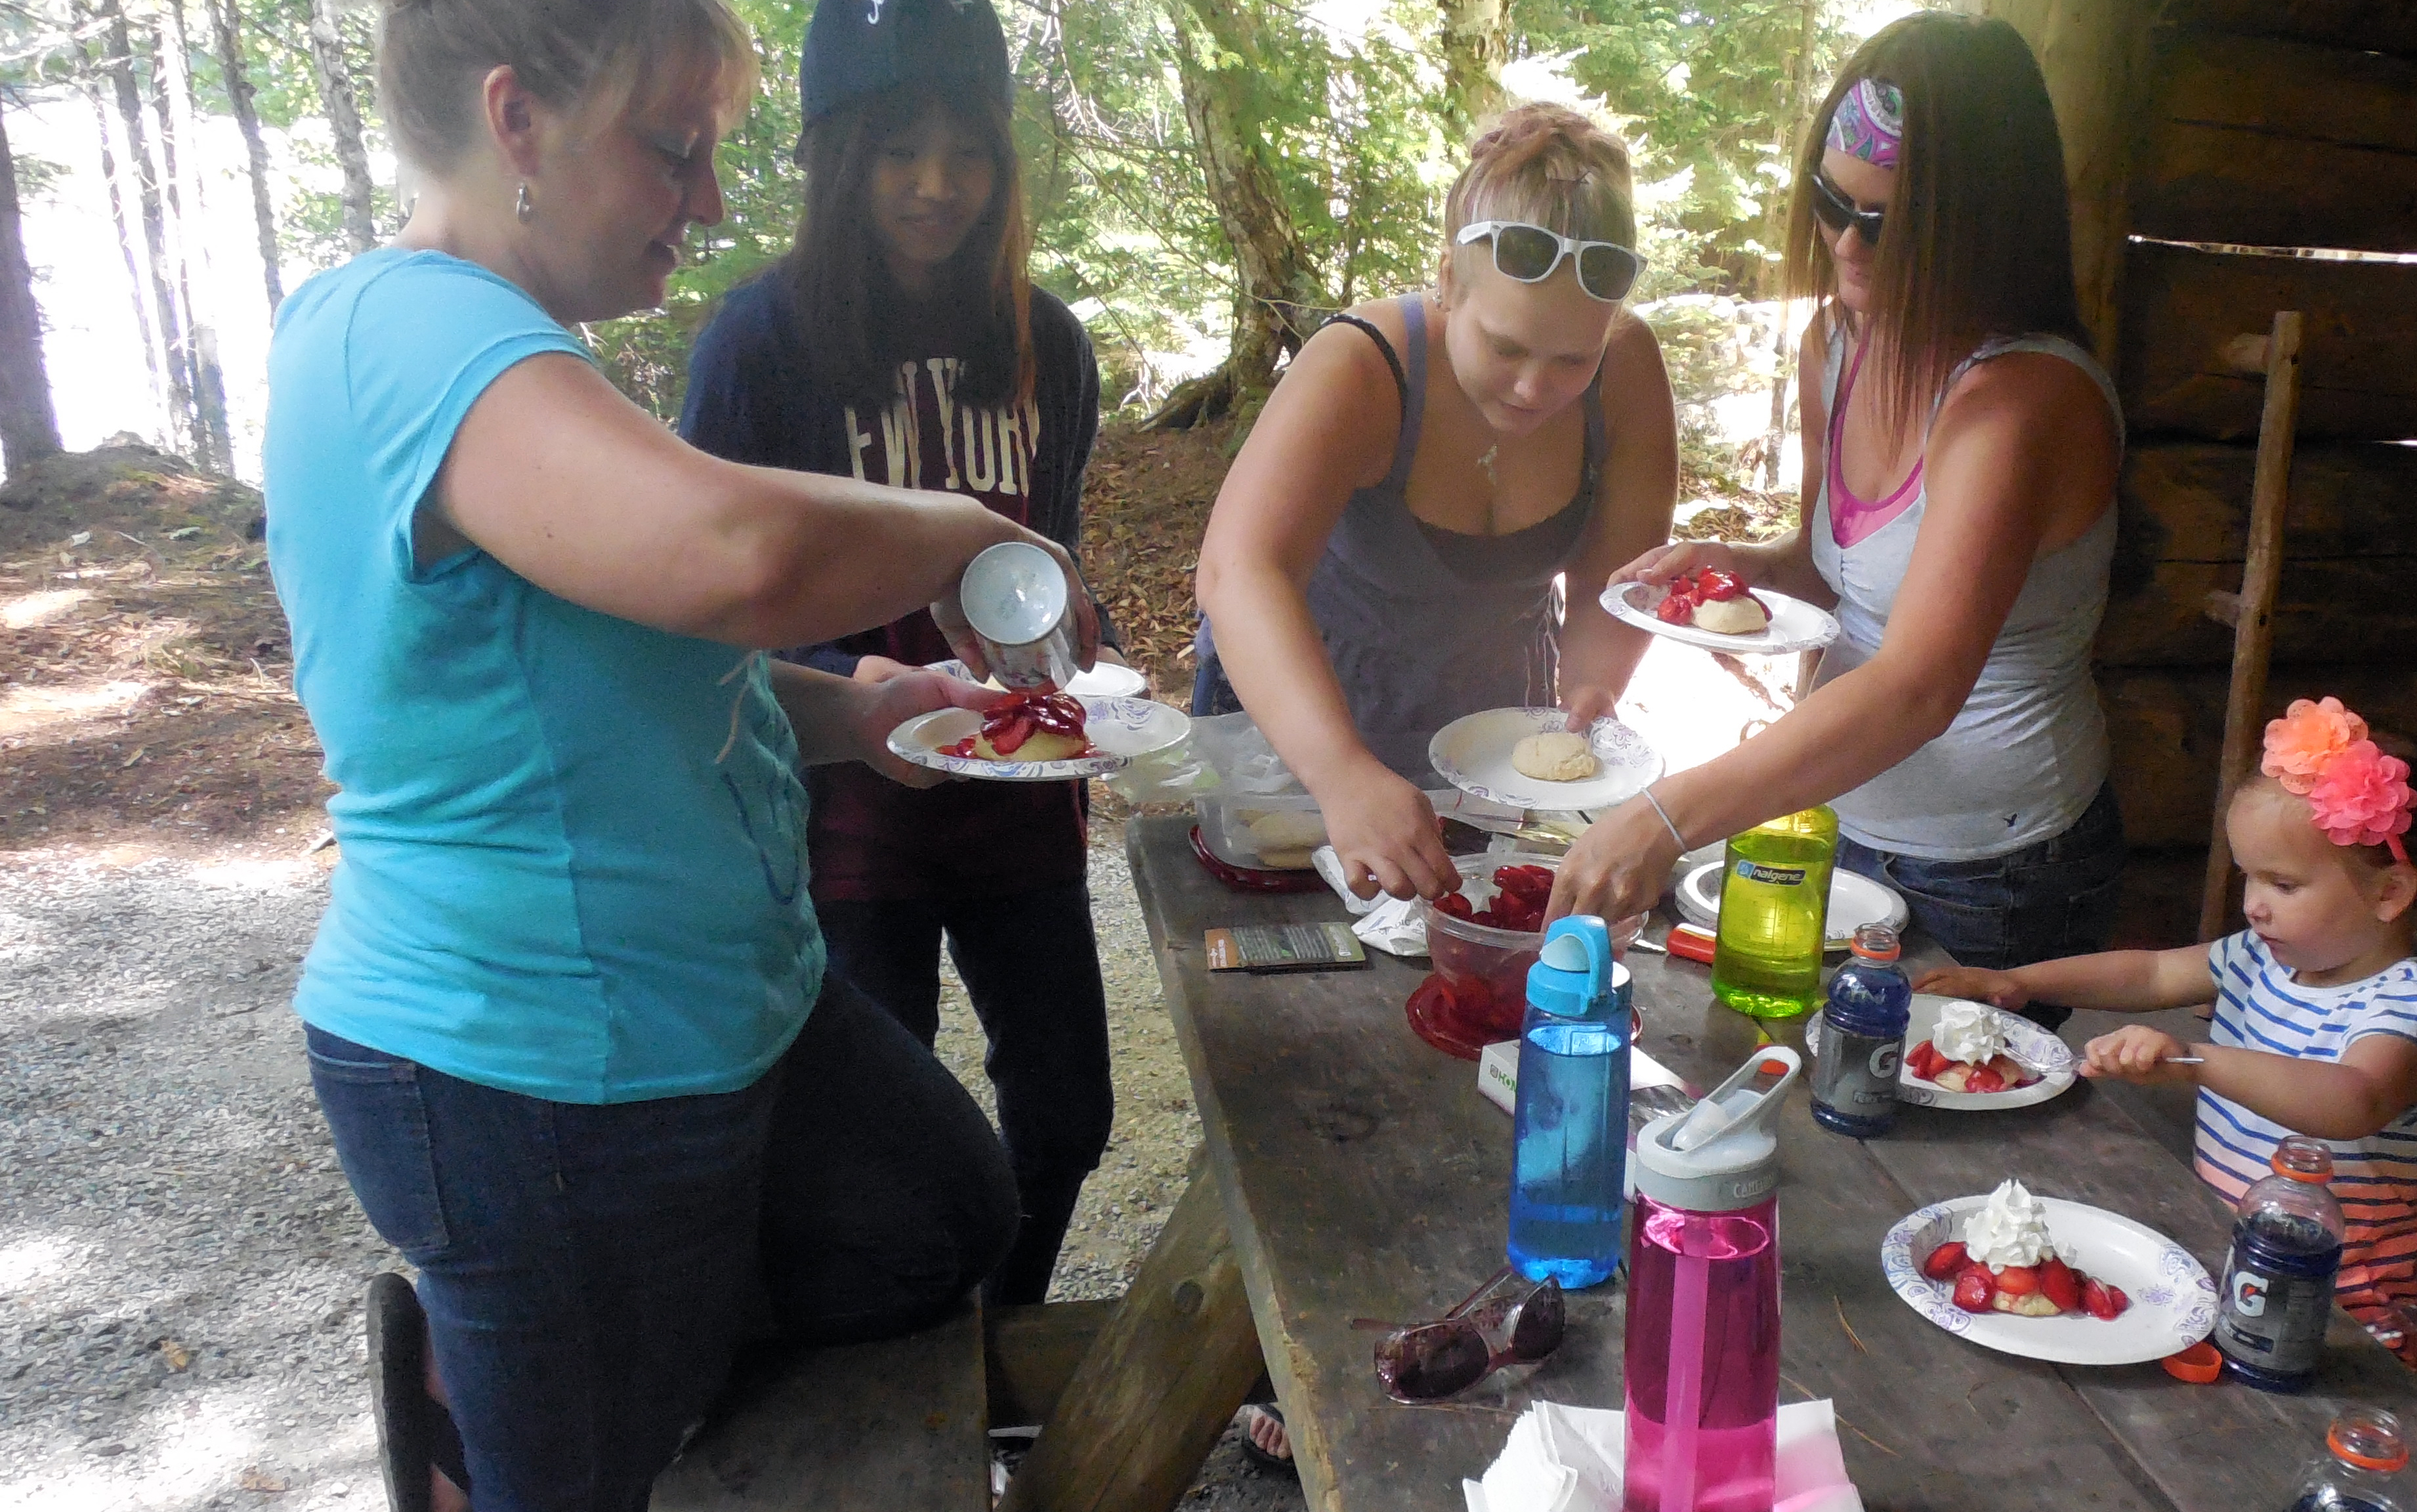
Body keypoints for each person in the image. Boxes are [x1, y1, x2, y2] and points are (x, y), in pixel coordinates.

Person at [263, 1, 1097, 1503]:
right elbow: (733, 553)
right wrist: (967, 534)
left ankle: (548, 1349)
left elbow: (628, 667)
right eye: (674, 151)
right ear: (516, 125)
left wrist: (851, 717)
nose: (707, 199)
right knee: (593, 1468)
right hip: (540, 1068)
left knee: (935, 1214)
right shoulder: (405, 324)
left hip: (727, 1010)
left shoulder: (532, 357)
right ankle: (505, 1381)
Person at [1543, 14, 2126, 997]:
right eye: (1830, 201)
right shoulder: (1840, 346)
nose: (1847, 245)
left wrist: (1669, 813)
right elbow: (1836, 571)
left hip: (1995, 869)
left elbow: (1915, 688)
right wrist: (1745, 565)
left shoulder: (2023, 403)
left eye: (1889, 222)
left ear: (1979, 221)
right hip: (1841, 818)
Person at [679, 0, 1114, 1311]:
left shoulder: (1051, 344)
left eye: (967, 151)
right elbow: (708, 595)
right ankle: (914, 1388)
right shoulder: (762, 345)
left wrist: (1071, 628)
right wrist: (844, 679)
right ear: (837, 158)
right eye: (896, 149)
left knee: (1068, 1110)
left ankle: (1006, 1330)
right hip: (847, 803)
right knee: (887, 1138)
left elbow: (1048, 560)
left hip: (1018, 801)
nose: (937, 185)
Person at [1191, 102, 1678, 905]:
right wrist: (1342, 774)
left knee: (1464, 942)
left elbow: (1616, 582)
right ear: (1449, 280)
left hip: (1484, 718)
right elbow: (1240, 573)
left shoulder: (1627, 370)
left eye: (1571, 359)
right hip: (1299, 709)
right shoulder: (1362, 368)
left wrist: (1593, 685)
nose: (1534, 387)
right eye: (1506, 346)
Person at [1918, 698, 2417, 1360]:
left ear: (2389, 893)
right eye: (2249, 877)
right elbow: (2151, 974)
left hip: (2337, 1306)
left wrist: (2199, 1061)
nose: (2254, 905)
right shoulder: (2263, 954)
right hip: (2224, 1247)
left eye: (2284, 884)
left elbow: (2355, 1099)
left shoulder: (2413, 1003)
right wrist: (2024, 982)